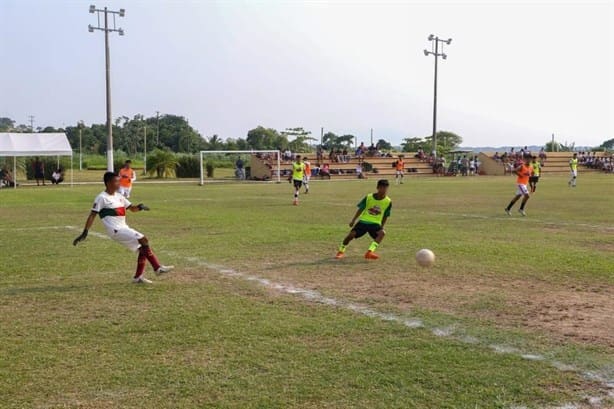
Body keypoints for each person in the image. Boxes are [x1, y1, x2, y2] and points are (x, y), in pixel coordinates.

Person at [73, 171, 173, 284]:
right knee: (144, 239)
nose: (119, 183)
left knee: (143, 249)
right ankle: (157, 268)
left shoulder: (119, 196)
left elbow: (132, 209)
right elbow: (92, 215)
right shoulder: (101, 198)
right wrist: (85, 232)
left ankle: (138, 277)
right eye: (116, 181)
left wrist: (140, 207)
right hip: (115, 230)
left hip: (123, 227)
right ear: (108, 183)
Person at [335, 179, 391, 260]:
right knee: (350, 236)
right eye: (382, 188)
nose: (384, 190)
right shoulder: (369, 197)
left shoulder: (388, 201)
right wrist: (353, 220)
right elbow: (361, 209)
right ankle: (341, 251)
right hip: (363, 221)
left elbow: (386, 215)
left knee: (382, 233)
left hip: (375, 223)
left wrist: (382, 226)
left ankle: (370, 252)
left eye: (386, 188)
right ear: (377, 188)